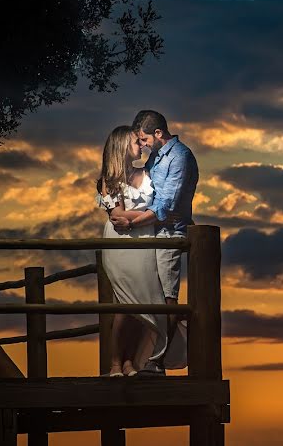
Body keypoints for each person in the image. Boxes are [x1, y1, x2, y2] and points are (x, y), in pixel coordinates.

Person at [109, 110, 198, 373]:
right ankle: (137, 361)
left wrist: (131, 222)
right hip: (150, 233)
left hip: (169, 233)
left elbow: (165, 207)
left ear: (158, 134)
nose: (143, 145)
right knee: (145, 295)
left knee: (167, 297)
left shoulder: (180, 157)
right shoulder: (156, 157)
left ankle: (157, 361)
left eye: (145, 139)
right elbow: (141, 191)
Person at [95, 125, 168, 377]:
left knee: (143, 302)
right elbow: (116, 216)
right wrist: (151, 215)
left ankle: (131, 362)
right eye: (135, 141)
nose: (141, 144)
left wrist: (147, 216)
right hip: (120, 243)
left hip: (146, 242)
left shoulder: (147, 173)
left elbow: (161, 208)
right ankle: (116, 362)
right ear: (121, 146)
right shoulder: (109, 180)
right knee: (126, 303)